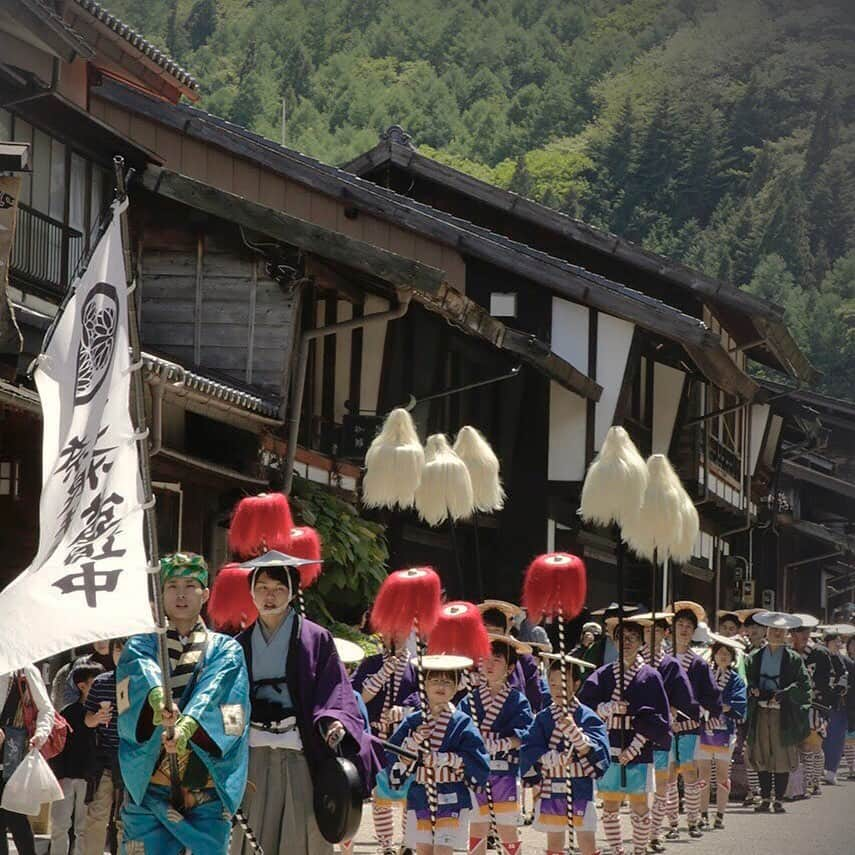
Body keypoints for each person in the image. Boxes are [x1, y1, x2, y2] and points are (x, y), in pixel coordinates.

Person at [229, 551, 379, 855]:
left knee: (302, 836)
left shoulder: (316, 638)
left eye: (278, 589)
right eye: (262, 588)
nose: (269, 597)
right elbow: (228, 701)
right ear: (251, 592)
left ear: (292, 592)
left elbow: (334, 691)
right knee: (251, 836)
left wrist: (333, 719)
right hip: (253, 754)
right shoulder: (237, 645)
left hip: (300, 753)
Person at [118, 552, 251, 855]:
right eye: (172, 585)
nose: (180, 593)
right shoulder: (140, 645)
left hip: (203, 788)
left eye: (190, 585)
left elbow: (215, 692)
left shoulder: (226, 649)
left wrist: (187, 727)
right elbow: (142, 675)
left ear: (205, 594)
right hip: (151, 786)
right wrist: (157, 699)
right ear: (160, 594)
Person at [578, 618, 670, 855]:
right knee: (610, 803)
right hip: (610, 742)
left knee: (639, 804)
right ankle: (617, 850)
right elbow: (584, 705)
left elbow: (659, 716)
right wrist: (608, 707)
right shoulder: (604, 673)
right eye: (622, 638)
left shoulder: (650, 676)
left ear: (641, 642)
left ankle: (639, 850)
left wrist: (636, 746)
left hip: (639, 744)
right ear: (614, 641)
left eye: (632, 638)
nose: (627, 643)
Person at [386, 655, 490, 855]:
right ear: (424, 684)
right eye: (435, 680)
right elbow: (393, 756)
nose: (441, 685)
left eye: (447, 681)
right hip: (420, 794)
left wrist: (446, 759)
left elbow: (477, 758)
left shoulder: (462, 721)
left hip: (452, 793)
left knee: (443, 850)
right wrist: (413, 742)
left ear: (456, 687)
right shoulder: (413, 721)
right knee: (424, 851)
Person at [520, 655, 610, 855]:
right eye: (552, 684)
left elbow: (599, 750)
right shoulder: (543, 718)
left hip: (580, 784)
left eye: (563, 683)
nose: (557, 689)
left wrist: (578, 738)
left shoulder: (588, 716)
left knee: (586, 837)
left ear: (576, 684)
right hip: (552, 784)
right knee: (554, 839)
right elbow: (529, 747)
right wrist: (548, 758)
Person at [459, 635, 534, 855]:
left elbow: (525, 735)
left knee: (506, 827)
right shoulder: (469, 700)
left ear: (510, 668)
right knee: (478, 826)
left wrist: (500, 744)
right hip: (477, 772)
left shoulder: (517, 700)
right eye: (486, 658)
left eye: (497, 660)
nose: (489, 664)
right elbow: (459, 731)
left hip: (505, 771)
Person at [635, 611, 696, 854]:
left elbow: (686, 697)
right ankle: (641, 835)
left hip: (660, 732)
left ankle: (654, 833)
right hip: (635, 734)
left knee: (662, 787)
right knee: (638, 791)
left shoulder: (671, 664)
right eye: (647, 631)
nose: (652, 635)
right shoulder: (632, 663)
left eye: (657, 630)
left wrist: (672, 709)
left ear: (665, 633)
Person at [351, 632, 418, 855]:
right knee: (381, 794)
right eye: (390, 631)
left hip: (408, 740)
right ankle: (386, 845)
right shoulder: (371, 664)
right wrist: (384, 671)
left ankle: (408, 843)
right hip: (379, 737)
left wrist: (406, 709)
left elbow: (425, 699)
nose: (394, 637)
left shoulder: (417, 665)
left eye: (400, 631)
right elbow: (359, 695)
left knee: (411, 793)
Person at [744, 611, 811, 813]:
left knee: (782, 755)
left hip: (783, 712)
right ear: (766, 631)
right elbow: (746, 680)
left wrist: (786, 693)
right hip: (761, 711)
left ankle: (779, 799)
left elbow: (804, 685)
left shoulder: (793, 659)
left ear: (786, 633)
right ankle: (765, 798)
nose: (776, 634)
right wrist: (754, 690)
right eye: (773, 630)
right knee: (762, 753)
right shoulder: (754, 657)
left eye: (780, 630)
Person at [0, 663, 55, 855]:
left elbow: (46, 710)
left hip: (13, 755)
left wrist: (41, 734)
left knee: (15, 815)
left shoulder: (24, 670)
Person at [50, 662, 104, 855]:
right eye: (95, 683)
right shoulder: (69, 712)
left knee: (84, 829)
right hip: (66, 775)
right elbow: (59, 745)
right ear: (82, 686)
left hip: (90, 777)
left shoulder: (105, 713)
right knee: (59, 825)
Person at [696, 636, 747, 830]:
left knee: (723, 774)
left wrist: (718, 707)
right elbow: (697, 697)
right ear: (714, 655)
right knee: (704, 774)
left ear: (732, 657)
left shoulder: (736, 680)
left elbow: (738, 703)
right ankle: (703, 814)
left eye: (727, 653)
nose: (723, 656)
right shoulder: (706, 675)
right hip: (705, 729)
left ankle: (720, 814)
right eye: (720, 653)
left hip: (726, 731)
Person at [82, 638, 125, 855]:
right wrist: (97, 717)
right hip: (105, 757)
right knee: (97, 815)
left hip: (133, 760)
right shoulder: (101, 682)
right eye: (118, 648)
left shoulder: (145, 682)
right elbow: (87, 720)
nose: (121, 653)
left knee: (125, 818)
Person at [789, 614, 833, 796]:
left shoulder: (819, 653)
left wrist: (819, 697)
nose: (804, 635)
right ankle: (805, 781)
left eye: (807, 631)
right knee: (799, 746)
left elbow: (828, 680)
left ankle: (813, 781)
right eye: (799, 631)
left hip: (815, 705)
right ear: (791, 633)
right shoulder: (788, 653)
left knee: (813, 746)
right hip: (792, 705)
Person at [479, 601, 545, 713]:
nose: (491, 636)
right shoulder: (468, 658)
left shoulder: (522, 658)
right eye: (486, 630)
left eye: (496, 631)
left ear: (505, 631)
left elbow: (534, 694)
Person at [739, 610, 767, 805]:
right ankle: (754, 789)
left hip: (767, 706)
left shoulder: (772, 651)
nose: (754, 630)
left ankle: (765, 790)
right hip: (746, 706)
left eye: (758, 627)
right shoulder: (741, 651)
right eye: (751, 627)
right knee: (747, 750)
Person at [51, 642, 116, 710]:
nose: (100, 642)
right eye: (97, 637)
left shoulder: (124, 665)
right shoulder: (80, 665)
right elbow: (67, 702)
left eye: (105, 637)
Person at [822, 630, 849, 784]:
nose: (838, 644)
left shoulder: (844, 660)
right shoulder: (819, 656)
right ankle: (820, 769)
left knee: (837, 738)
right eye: (835, 641)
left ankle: (831, 770)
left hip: (839, 704)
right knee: (821, 739)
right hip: (821, 703)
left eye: (840, 641)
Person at [844, 635, 855, 779]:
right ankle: (852, 767)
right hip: (847, 702)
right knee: (847, 737)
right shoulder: (844, 661)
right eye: (852, 644)